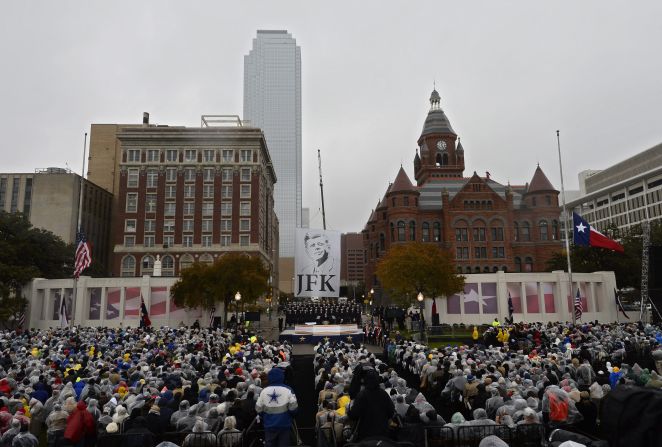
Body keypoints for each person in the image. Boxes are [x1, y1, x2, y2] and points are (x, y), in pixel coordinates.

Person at [347, 367, 395, 441]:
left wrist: (349, 411)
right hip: (383, 433)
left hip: (366, 434)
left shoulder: (361, 395)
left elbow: (354, 415)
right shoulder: (384, 394)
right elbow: (391, 411)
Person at [255, 367, 298, 447]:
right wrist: (289, 416)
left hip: (269, 425)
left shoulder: (263, 391)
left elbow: (258, 408)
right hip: (284, 424)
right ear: (282, 376)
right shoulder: (288, 389)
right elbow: (294, 408)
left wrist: (265, 417)